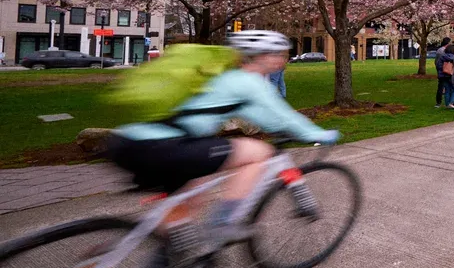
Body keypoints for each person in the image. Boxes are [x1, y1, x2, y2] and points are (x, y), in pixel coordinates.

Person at [106, 30, 339, 249]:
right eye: (279, 54)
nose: (282, 60)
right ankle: (222, 223)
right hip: (164, 147)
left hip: (130, 143)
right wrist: (319, 134)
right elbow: (283, 119)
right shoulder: (248, 81)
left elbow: (264, 118)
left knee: (194, 194)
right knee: (259, 153)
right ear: (263, 56)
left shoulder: (220, 77)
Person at [433, 37, 452, 108]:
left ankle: (444, 102)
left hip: (442, 71)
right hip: (444, 71)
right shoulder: (442, 51)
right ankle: (439, 102)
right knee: (443, 87)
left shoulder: (440, 50)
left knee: (444, 87)